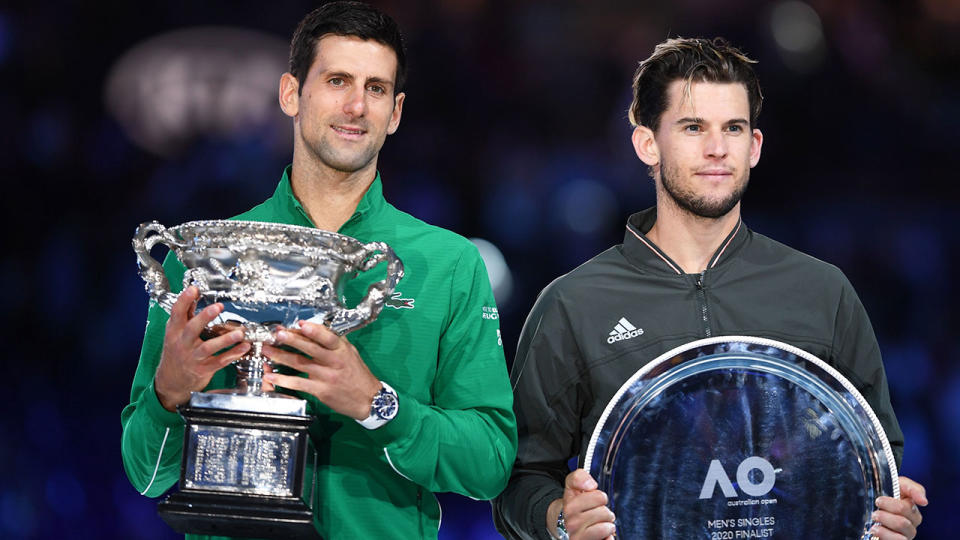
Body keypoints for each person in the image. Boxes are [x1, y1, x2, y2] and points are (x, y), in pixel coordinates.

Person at [492, 37, 927, 540]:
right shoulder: (574, 304)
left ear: (755, 146)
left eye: (734, 128)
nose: (717, 148)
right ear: (647, 143)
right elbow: (519, 479)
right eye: (693, 127)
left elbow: (874, 461)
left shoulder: (822, 292)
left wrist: (892, 516)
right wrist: (560, 518)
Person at [120, 2, 517, 538]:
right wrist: (170, 392)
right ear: (291, 94)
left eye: (376, 89)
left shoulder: (447, 263)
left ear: (395, 112)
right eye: (337, 81)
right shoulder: (207, 255)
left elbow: (490, 464)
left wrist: (377, 405)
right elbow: (146, 475)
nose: (356, 105)